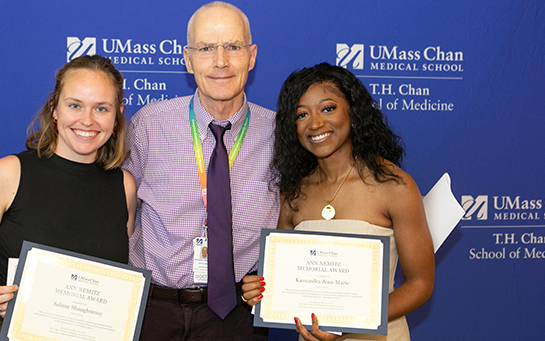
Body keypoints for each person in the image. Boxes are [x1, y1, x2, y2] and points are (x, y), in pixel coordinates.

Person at [241, 62, 435, 341]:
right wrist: (258, 289)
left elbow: (420, 285)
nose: (316, 123)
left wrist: (346, 323)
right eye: (301, 115)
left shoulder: (395, 185)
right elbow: (279, 280)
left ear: (353, 112)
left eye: (327, 108)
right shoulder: (294, 191)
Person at [122, 2, 278, 340]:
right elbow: (114, 213)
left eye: (233, 47)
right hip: (153, 311)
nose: (221, 61)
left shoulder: (279, 134)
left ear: (251, 57)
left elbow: (298, 220)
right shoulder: (150, 124)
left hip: (238, 316)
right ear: (187, 59)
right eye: (206, 48)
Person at [0, 55, 136, 340]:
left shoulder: (124, 186)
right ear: (54, 109)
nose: (87, 120)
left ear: (117, 115)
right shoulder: (9, 173)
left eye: (101, 108)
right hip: (7, 331)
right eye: (75, 105)